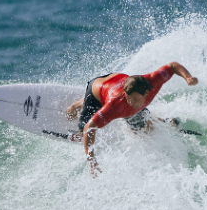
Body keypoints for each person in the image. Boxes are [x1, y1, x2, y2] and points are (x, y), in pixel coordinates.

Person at [66, 62, 198, 173]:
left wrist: (188, 77)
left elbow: (173, 66)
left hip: (122, 81)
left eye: (135, 99)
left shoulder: (152, 80)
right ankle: (80, 103)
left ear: (146, 92)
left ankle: (165, 122)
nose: (130, 102)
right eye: (128, 97)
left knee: (143, 130)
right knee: (82, 128)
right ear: (125, 93)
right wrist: (91, 159)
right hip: (97, 89)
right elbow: (90, 127)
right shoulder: (116, 105)